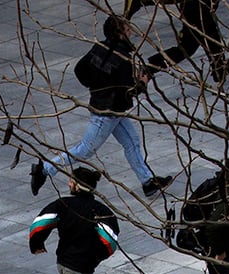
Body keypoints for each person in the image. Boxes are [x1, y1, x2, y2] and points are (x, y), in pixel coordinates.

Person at [30, 18, 169, 199]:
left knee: (132, 142)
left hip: (109, 108)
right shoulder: (123, 59)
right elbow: (129, 91)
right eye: (128, 30)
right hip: (107, 113)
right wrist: (144, 81)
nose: (131, 32)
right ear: (119, 33)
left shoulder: (100, 47)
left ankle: (148, 182)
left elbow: (80, 69)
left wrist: (94, 86)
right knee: (85, 150)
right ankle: (45, 170)